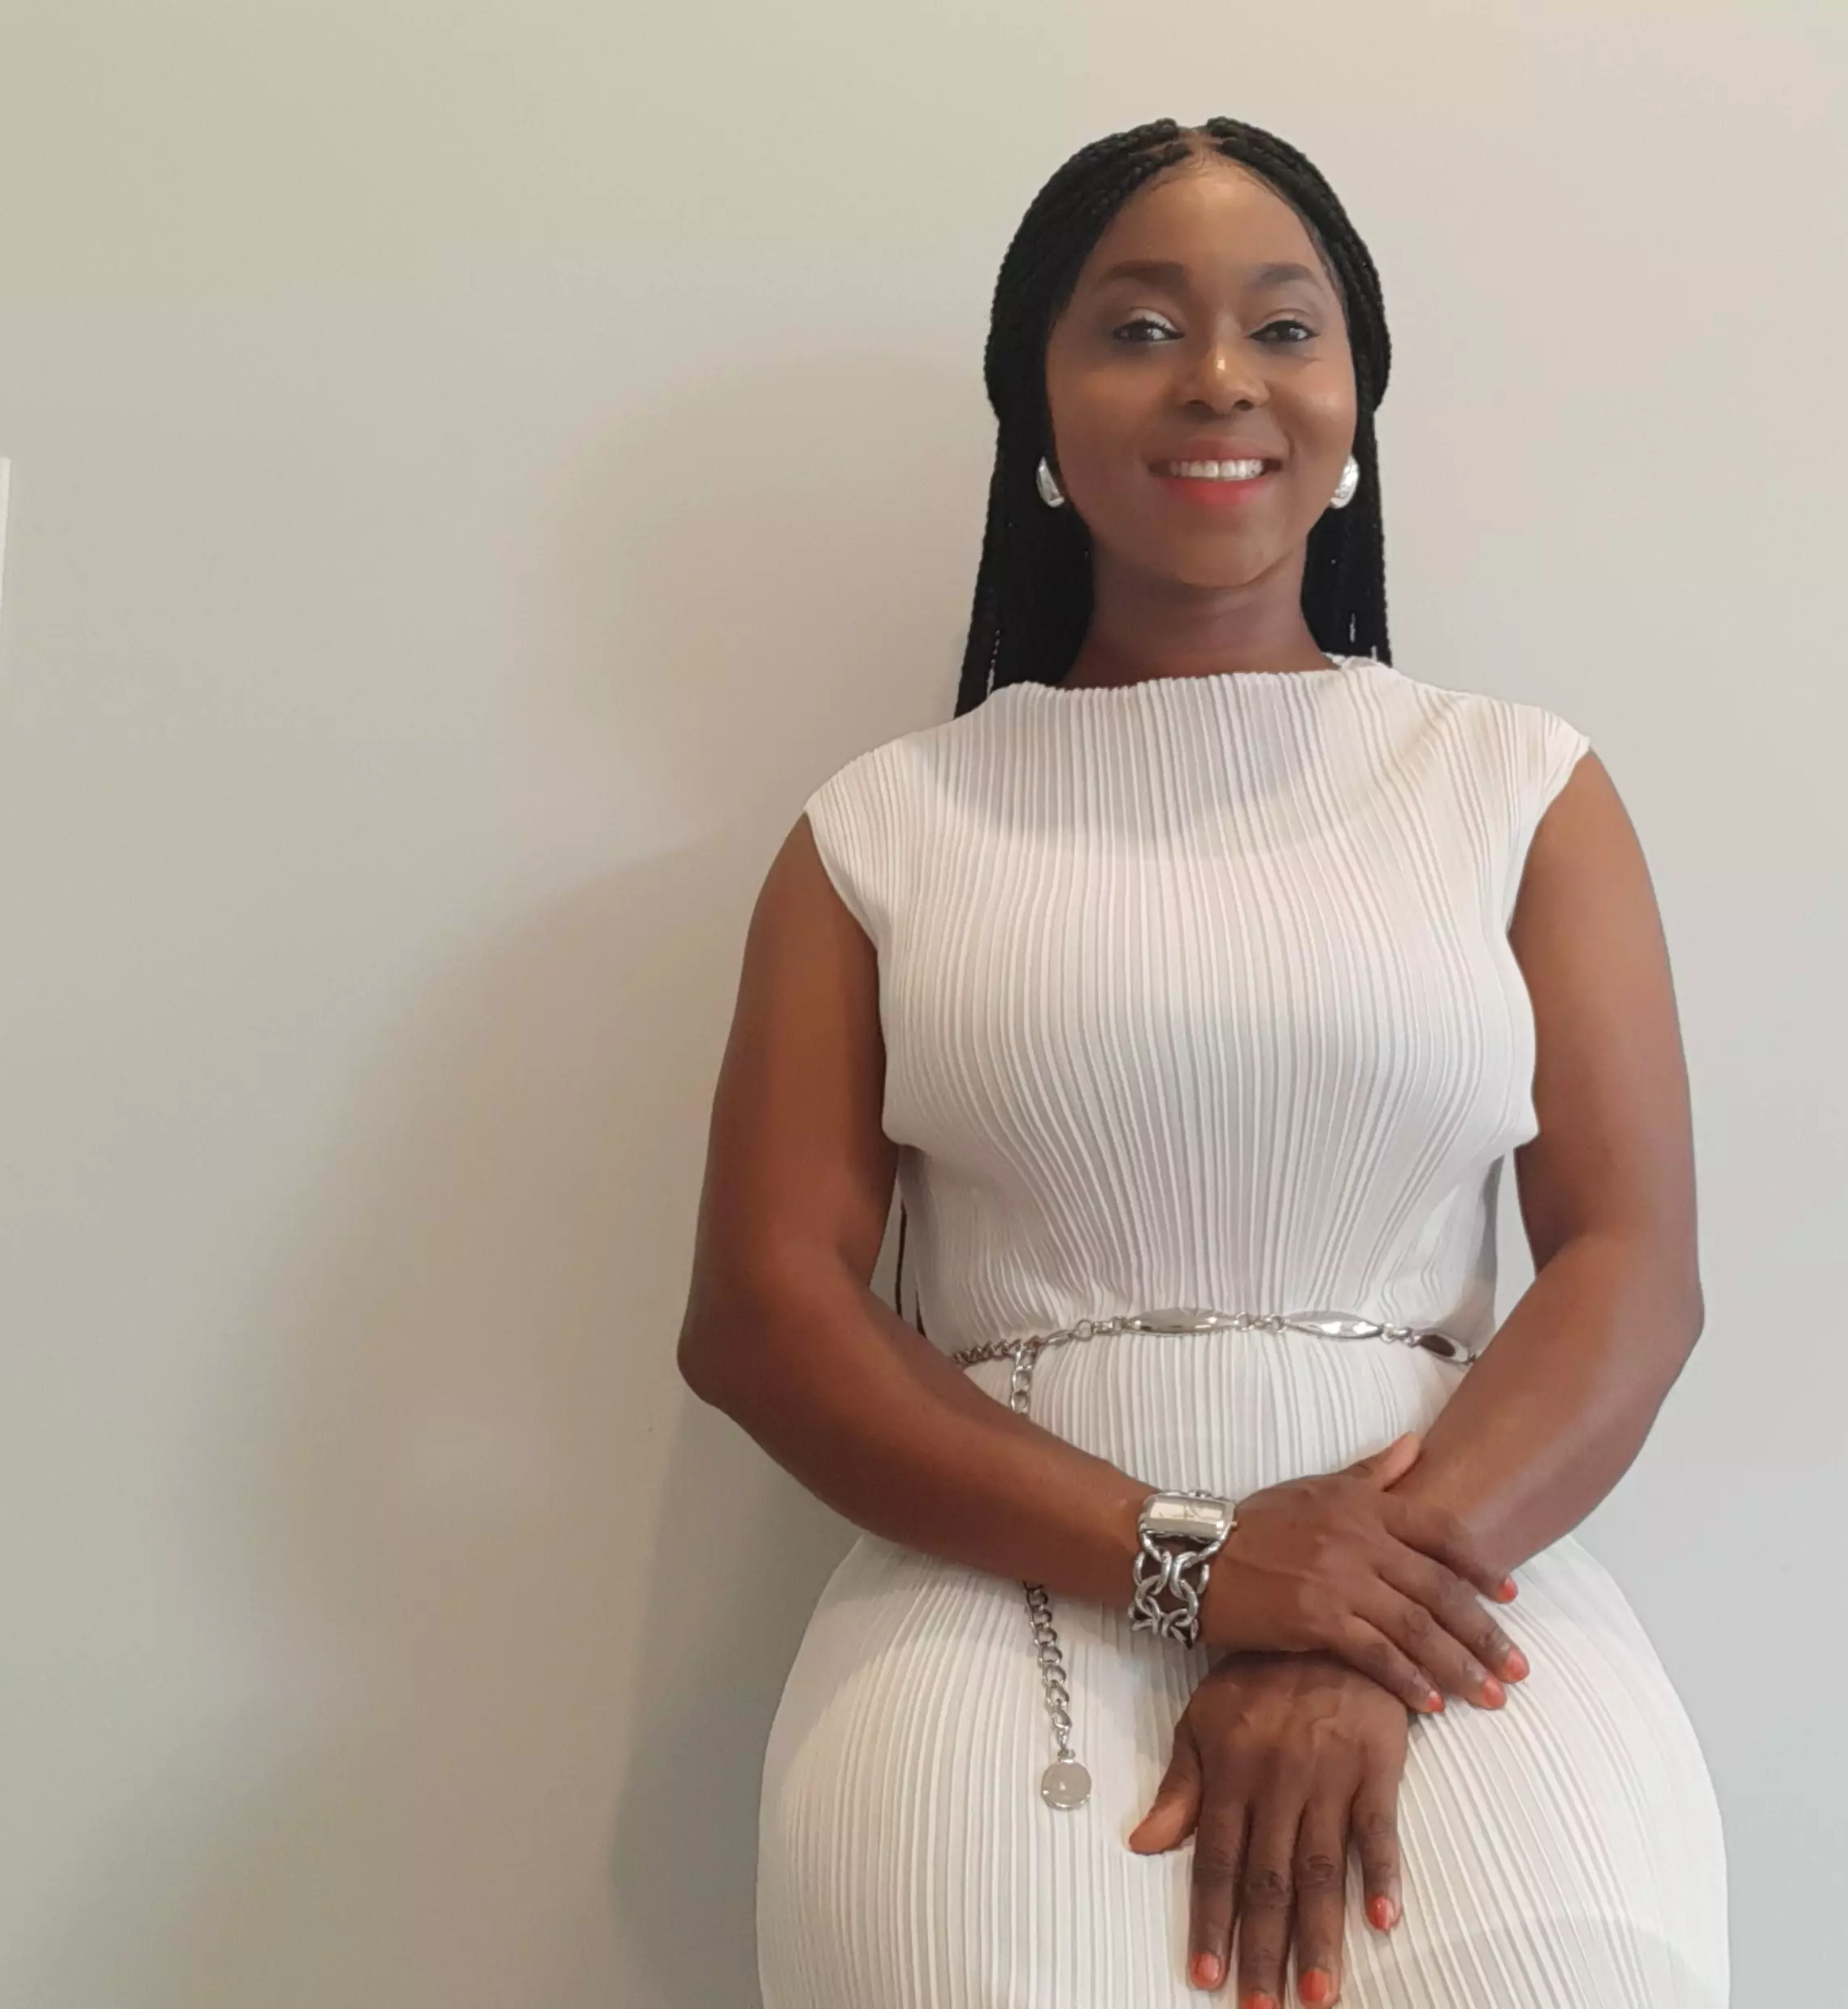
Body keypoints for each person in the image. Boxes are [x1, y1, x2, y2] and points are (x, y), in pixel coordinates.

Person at [679, 115, 1729, 2009]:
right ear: (1037, 409)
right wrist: (1197, 1567)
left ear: (1355, 400)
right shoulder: (880, 829)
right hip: (994, 1622)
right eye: (1141, 328)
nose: (1221, 375)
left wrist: (1341, 1618)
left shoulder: (1515, 788)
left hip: (1455, 1603)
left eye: (1284, 326)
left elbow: (1630, 1271)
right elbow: (765, 1316)